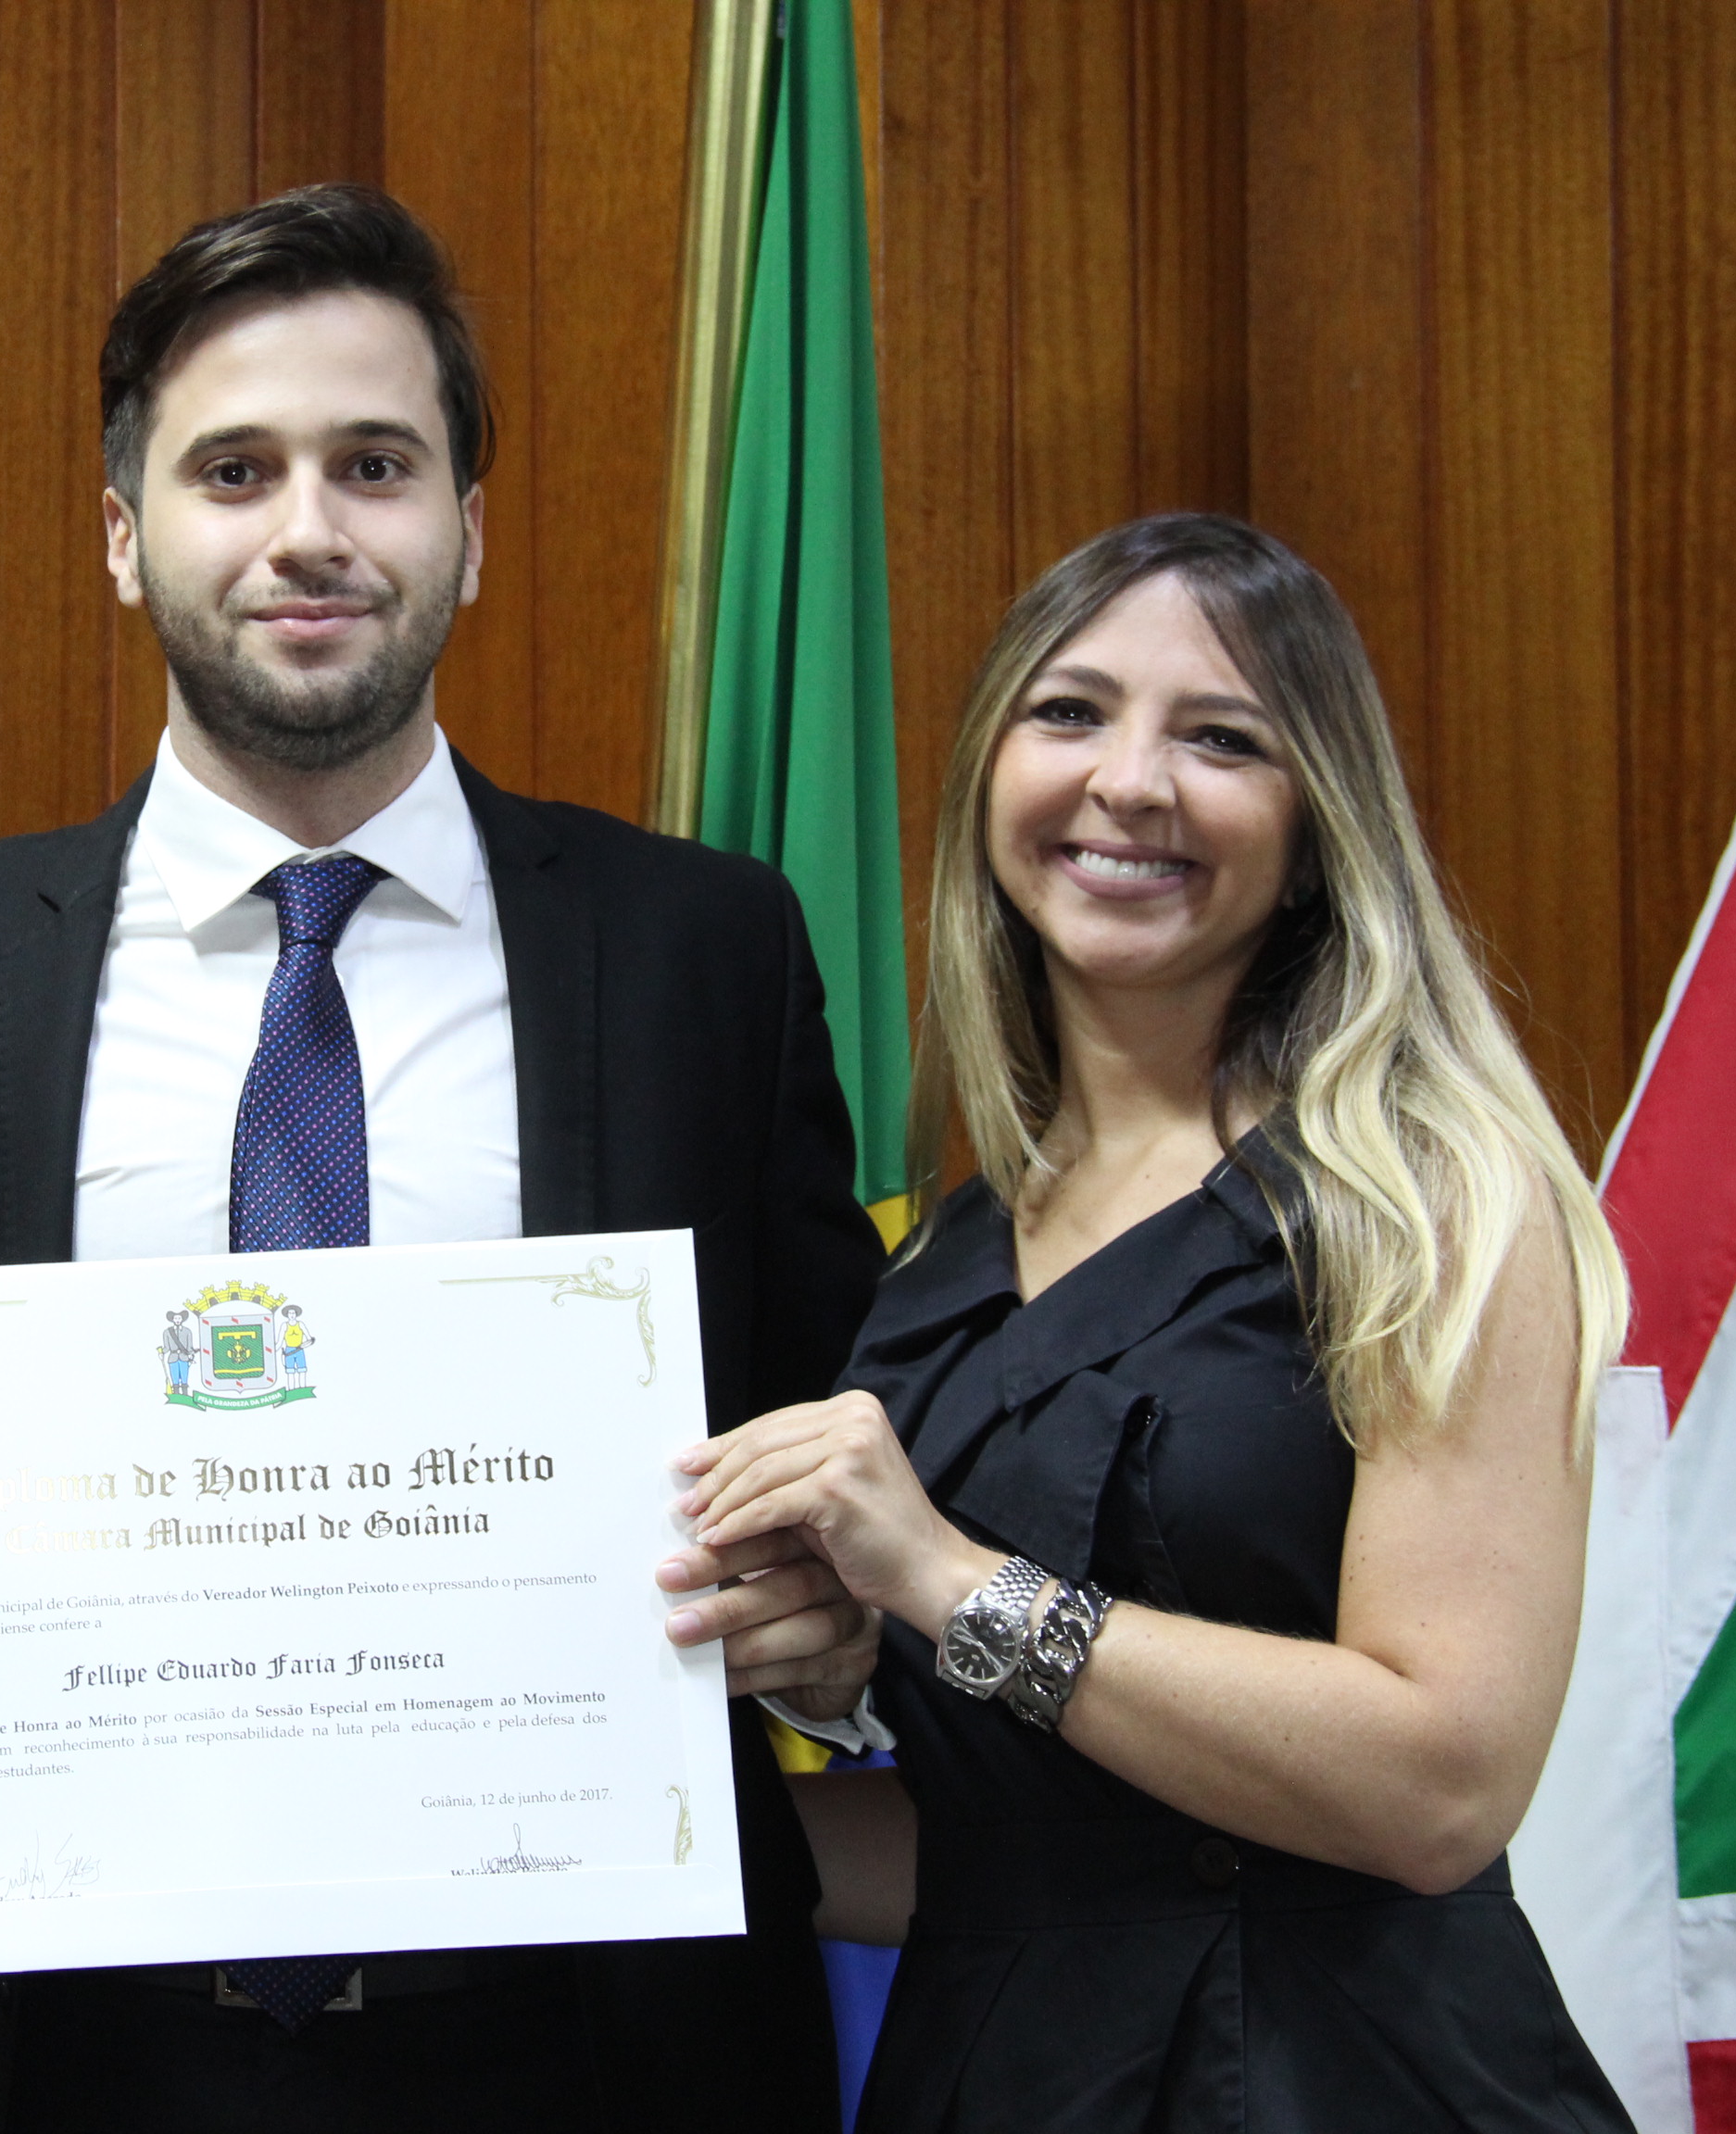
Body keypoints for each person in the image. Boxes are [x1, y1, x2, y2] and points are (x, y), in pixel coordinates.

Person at [0, 184, 881, 2131]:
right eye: (234, 470)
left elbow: (837, 1419)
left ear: (468, 526)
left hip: (593, 2047)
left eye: (375, 464)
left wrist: (834, 1631)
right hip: (40, 2054)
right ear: (127, 538)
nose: (309, 531)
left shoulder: (704, 953)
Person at [662, 513, 1637, 2131]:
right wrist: (547, 1827)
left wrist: (948, 1581)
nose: (1129, 781)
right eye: (1071, 712)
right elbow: (1025, 1864)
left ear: (1316, 830)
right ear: (989, 776)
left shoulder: (1430, 1202)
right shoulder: (939, 1269)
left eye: (1221, 738)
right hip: (1001, 2078)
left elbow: (1441, 1786)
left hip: (1348, 2083)